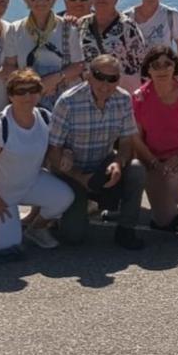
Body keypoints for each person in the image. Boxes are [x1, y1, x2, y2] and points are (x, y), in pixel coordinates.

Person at [0, 69, 75, 260]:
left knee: (64, 197)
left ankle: (36, 229)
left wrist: (67, 154)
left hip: (29, 183)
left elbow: (59, 146)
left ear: (39, 92)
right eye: (20, 91)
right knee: (7, 248)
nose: (27, 96)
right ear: (10, 95)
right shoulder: (0, 124)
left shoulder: (45, 117)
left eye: (33, 90)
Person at [46, 54, 146, 250]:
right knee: (74, 237)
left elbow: (126, 141)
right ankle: (64, 214)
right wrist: (79, 177)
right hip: (71, 172)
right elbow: (53, 152)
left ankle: (126, 229)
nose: (105, 84)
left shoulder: (123, 99)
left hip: (102, 166)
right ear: (89, 76)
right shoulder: (68, 102)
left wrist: (118, 162)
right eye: (100, 76)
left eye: (112, 79)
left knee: (136, 169)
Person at [131, 46, 178, 233]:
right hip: (154, 161)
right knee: (163, 221)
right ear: (148, 70)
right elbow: (136, 139)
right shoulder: (139, 98)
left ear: (174, 67)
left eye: (167, 64)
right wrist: (155, 163)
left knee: (175, 178)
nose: (162, 70)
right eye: (156, 65)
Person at [3, 0, 85, 110]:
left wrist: (54, 79)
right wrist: (35, 85)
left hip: (65, 102)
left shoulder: (68, 28)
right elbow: (9, 67)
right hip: (28, 101)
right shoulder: (15, 29)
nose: (40, 0)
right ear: (27, 0)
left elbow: (78, 65)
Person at [79, 0, 147, 95]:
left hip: (121, 91)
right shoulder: (82, 24)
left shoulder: (127, 25)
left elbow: (140, 62)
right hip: (89, 91)